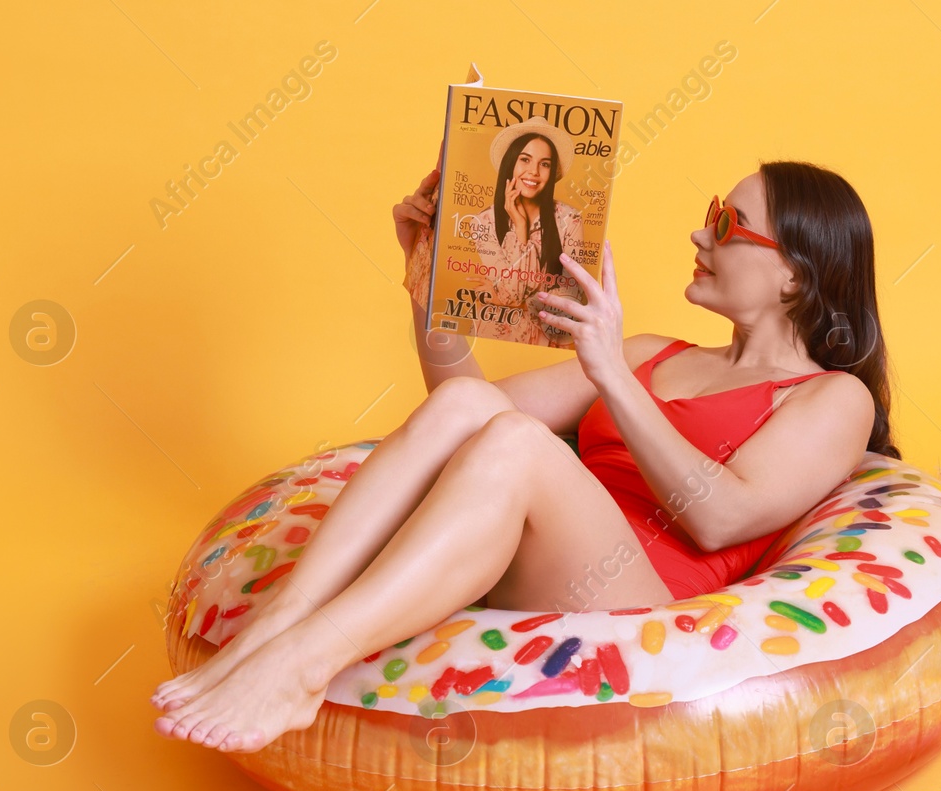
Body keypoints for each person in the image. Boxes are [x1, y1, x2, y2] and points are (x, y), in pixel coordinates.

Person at [149, 159, 898, 753]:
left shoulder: (831, 398)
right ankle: (284, 618)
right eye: (710, 214)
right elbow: (461, 408)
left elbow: (723, 516)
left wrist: (608, 371)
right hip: (540, 562)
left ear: (794, 274)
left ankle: (306, 665)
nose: (701, 236)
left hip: (638, 602)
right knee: (477, 411)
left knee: (515, 441)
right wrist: (428, 284)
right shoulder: (651, 352)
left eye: (729, 224)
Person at [408, 117, 585, 346]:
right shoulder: (484, 222)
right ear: (510, 163)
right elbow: (512, 295)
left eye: (545, 164)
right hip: (491, 338)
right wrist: (520, 228)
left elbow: (569, 300)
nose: (533, 172)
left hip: (546, 343)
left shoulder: (569, 219)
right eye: (525, 159)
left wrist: (505, 297)